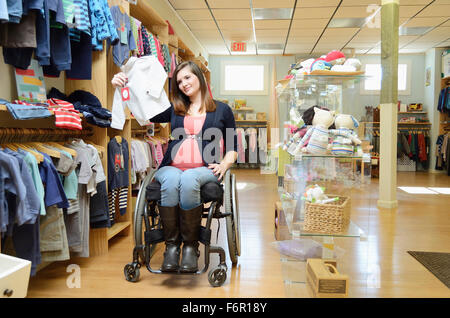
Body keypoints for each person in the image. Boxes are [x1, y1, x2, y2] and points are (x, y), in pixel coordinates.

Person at [111, 61, 237, 273]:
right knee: (170, 179)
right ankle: (171, 247)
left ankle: (189, 246)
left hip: (205, 169)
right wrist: (123, 86)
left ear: (199, 77)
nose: (183, 84)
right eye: (179, 81)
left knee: (188, 179)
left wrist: (224, 164)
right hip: (172, 166)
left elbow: (233, 147)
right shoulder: (174, 109)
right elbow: (143, 110)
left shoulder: (222, 110)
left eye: (187, 77)